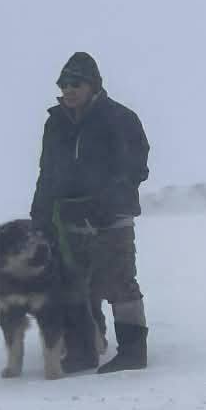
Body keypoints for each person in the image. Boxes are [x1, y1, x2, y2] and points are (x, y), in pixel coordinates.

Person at [31, 52, 152, 373]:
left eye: (76, 83)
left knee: (119, 281)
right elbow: (48, 171)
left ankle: (132, 351)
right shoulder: (55, 122)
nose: (68, 89)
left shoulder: (119, 118)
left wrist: (105, 203)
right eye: (63, 84)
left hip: (110, 218)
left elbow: (134, 169)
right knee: (73, 284)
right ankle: (82, 351)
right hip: (66, 218)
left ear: (93, 85)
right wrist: (40, 215)